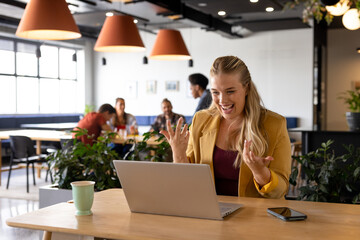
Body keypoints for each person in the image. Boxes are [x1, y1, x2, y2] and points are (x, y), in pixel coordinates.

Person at [161, 56, 291, 199]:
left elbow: (281, 190)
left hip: (255, 216)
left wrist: (260, 172)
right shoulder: (201, 120)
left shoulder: (275, 124)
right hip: (209, 213)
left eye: (230, 91)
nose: (222, 100)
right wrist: (178, 153)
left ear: (246, 88)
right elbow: (187, 182)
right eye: (216, 92)